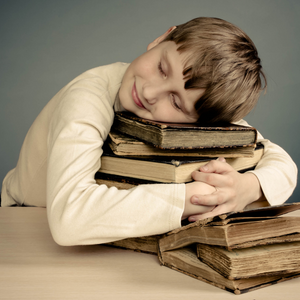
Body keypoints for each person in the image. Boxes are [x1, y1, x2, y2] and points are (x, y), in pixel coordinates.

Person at [1, 17, 297, 246]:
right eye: (162, 68)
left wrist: (248, 187)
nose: (151, 91)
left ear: (204, 125)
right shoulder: (89, 95)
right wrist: (193, 198)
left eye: (177, 102)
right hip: (25, 222)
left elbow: (281, 162)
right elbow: (69, 218)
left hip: (115, 235)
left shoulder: (200, 114)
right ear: (163, 37)